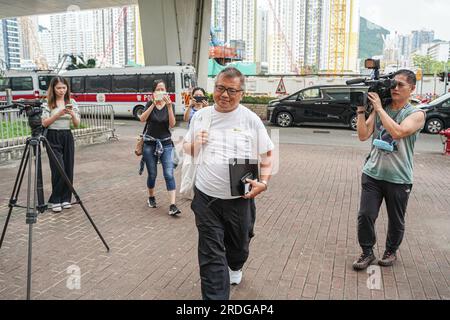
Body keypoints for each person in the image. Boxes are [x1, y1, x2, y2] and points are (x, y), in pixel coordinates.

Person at [183, 67, 274, 300]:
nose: (224, 95)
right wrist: (195, 143)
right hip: (206, 199)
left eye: (231, 90)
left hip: (239, 200)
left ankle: (236, 265)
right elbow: (187, 149)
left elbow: (267, 154)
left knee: (239, 248)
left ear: (241, 93)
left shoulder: (250, 120)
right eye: (220, 88)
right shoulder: (201, 116)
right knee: (212, 256)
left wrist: (263, 182)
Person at [353, 70, 426, 271]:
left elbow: (398, 132)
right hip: (372, 173)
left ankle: (390, 250)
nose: (394, 88)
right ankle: (367, 252)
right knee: (365, 215)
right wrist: (361, 111)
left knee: (396, 219)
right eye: (393, 84)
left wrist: (378, 108)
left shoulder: (416, 114)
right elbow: (363, 135)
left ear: (412, 88)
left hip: (398, 177)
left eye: (400, 85)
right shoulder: (380, 108)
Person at [140, 79, 181, 216]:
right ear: (153, 92)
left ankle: (173, 205)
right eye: (158, 89)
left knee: (169, 174)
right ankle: (151, 196)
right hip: (150, 143)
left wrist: (169, 107)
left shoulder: (171, 105)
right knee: (152, 174)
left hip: (166, 143)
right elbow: (142, 119)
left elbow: (172, 124)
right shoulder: (149, 103)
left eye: (163, 89)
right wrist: (152, 104)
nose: (160, 91)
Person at [41, 76, 80, 213]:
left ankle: (65, 198)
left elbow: (76, 124)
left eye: (64, 87)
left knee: (68, 167)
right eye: (58, 88)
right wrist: (58, 114)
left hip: (67, 135)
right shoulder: (48, 103)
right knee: (59, 168)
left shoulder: (72, 102)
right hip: (52, 136)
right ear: (53, 88)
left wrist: (72, 114)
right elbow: (44, 123)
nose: (62, 90)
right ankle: (55, 200)